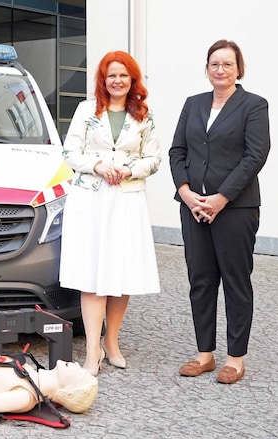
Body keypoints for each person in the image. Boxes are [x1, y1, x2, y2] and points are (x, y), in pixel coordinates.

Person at [169, 39, 270, 384]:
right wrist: (186, 193)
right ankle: (204, 354)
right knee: (200, 280)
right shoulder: (193, 104)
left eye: (227, 64)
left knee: (235, 281)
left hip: (235, 209)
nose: (220, 70)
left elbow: (254, 157)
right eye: (214, 64)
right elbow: (177, 152)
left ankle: (235, 358)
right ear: (206, 68)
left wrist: (220, 198)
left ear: (238, 69)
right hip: (193, 207)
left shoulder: (254, 106)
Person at [59, 51, 161, 376]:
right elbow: (69, 151)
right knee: (91, 274)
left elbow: (154, 158)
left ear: (133, 80)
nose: (117, 81)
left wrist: (128, 170)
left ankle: (111, 341)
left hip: (127, 200)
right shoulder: (85, 110)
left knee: (122, 271)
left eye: (123, 75)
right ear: (102, 79)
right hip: (90, 199)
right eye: (111, 75)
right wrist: (99, 165)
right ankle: (91, 351)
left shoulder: (144, 115)